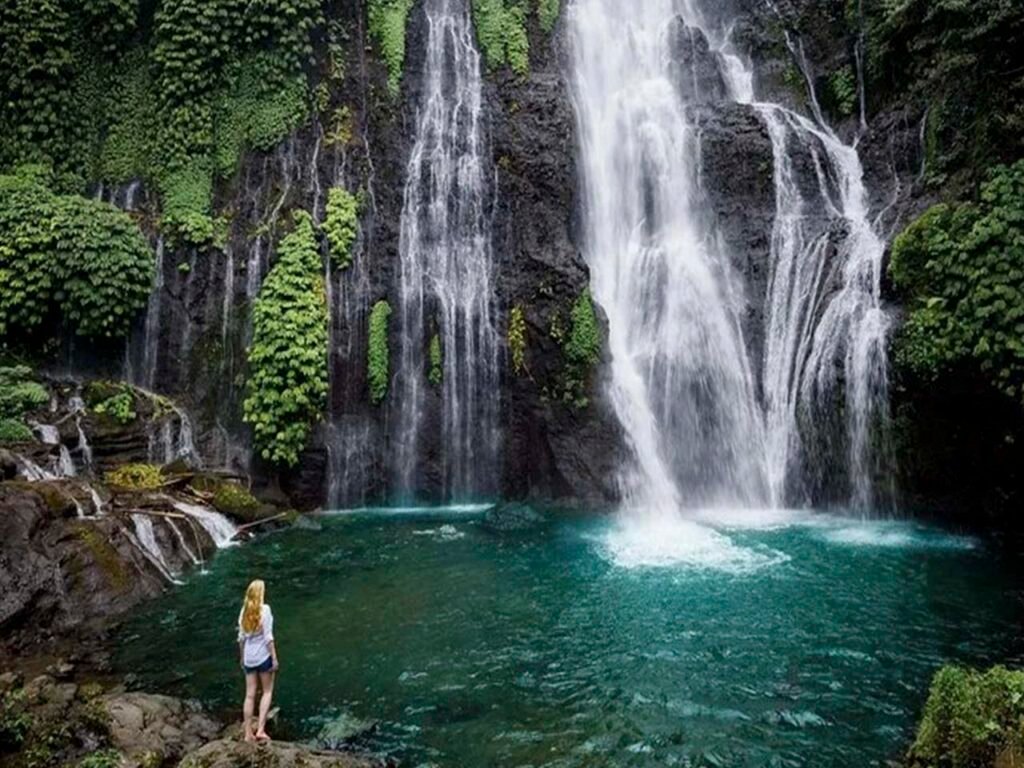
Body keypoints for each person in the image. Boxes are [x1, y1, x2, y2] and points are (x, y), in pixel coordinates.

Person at [237, 579, 278, 742]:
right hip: (263, 657)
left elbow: (241, 639)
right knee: (267, 691)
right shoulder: (265, 610)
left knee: (249, 695)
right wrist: (274, 658)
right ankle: (260, 730)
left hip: (249, 658)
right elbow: (268, 638)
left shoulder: (243, 612)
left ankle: (248, 733)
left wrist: (242, 657)